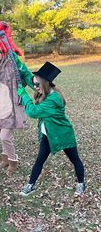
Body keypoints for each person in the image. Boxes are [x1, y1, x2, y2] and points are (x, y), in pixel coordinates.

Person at [15, 58, 85, 196]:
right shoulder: (44, 89)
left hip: (63, 134)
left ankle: (81, 183)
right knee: (40, 159)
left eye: (37, 82)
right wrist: (16, 60)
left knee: (74, 159)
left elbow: (33, 112)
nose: (34, 84)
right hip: (48, 134)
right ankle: (30, 185)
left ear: (44, 83)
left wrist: (23, 94)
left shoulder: (53, 99)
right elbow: (30, 78)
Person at [0, 42, 28, 176]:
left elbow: (22, 80)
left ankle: (13, 160)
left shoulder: (11, 65)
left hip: (11, 106)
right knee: (0, 134)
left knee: (5, 136)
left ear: (3, 53)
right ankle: (5, 159)